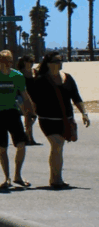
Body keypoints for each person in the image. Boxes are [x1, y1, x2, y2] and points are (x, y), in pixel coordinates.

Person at [27, 52, 91, 188]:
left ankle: (56, 178)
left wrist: (84, 113)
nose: (59, 63)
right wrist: (30, 114)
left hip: (66, 120)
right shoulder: (40, 80)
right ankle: (55, 180)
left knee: (59, 148)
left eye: (60, 60)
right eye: (56, 61)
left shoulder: (68, 78)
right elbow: (33, 99)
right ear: (49, 63)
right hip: (48, 120)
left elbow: (76, 97)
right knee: (57, 145)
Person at [0, 50, 33, 189]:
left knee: (21, 144)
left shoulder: (17, 76)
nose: (7, 63)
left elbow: (25, 95)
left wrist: (31, 113)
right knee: (2, 147)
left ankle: (18, 175)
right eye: (4, 60)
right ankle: (7, 178)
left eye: (10, 60)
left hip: (13, 113)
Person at [16, 55, 39, 145]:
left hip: (34, 96)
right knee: (28, 116)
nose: (31, 63)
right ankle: (30, 138)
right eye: (29, 61)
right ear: (24, 62)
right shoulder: (20, 73)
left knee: (33, 116)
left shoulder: (34, 72)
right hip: (23, 97)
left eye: (32, 61)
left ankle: (27, 135)